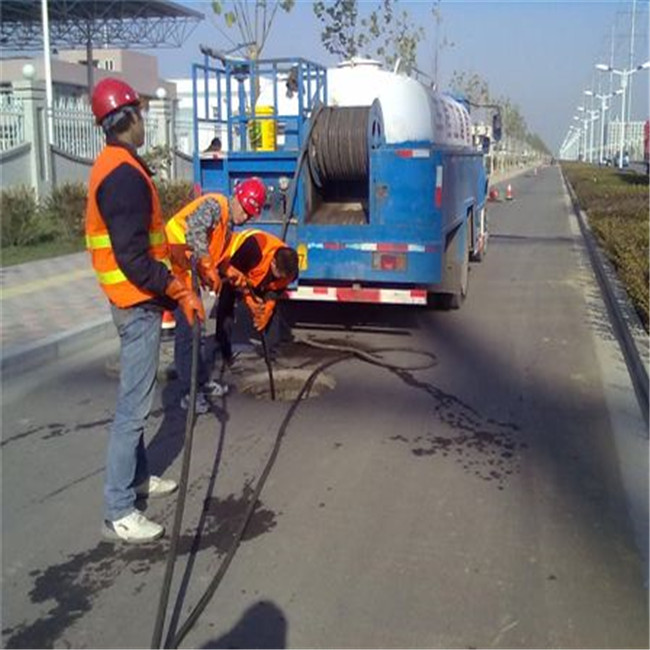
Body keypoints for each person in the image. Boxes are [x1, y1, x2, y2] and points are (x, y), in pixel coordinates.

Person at [86, 78, 204, 544]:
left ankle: (137, 479)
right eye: (140, 112)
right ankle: (119, 509)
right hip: (135, 305)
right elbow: (135, 258)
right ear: (126, 118)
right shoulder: (122, 176)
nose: (145, 121)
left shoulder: (119, 166)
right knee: (132, 409)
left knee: (137, 399)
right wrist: (177, 289)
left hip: (131, 301)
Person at [164, 178, 267, 413]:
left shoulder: (226, 227)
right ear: (239, 199)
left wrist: (230, 273)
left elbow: (218, 258)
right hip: (176, 261)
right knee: (190, 330)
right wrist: (207, 263)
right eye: (247, 211)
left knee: (197, 328)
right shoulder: (215, 205)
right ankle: (189, 392)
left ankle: (199, 382)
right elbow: (195, 230)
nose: (247, 218)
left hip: (188, 266)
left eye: (251, 215)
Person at [216, 229, 299, 365]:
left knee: (271, 313)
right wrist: (250, 302)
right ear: (273, 263)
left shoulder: (290, 269)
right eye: (280, 274)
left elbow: (276, 290)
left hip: (258, 279)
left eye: (286, 276)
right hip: (236, 270)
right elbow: (234, 278)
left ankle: (270, 354)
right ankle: (224, 350)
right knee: (226, 303)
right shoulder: (254, 248)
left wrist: (268, 308)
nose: (284, 278)